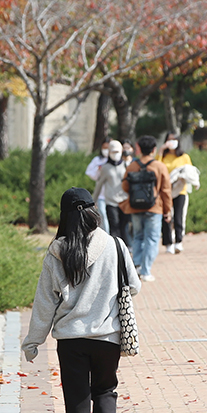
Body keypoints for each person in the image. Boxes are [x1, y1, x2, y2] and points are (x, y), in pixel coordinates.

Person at [21, 187, 141, 413]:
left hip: (71, 340)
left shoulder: (56, 253)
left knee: (77, 400)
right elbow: (134, 286)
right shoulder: (115, 246)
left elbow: (45, 302)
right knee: (105, 392)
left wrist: (33, 342)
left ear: (64, 216)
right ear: (94, 212)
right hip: (107, 337)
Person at [120, 135, 172, 282]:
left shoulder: (132, 166)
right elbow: (166, 190)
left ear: (139, 149)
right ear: (154, 149)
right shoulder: (159, 166)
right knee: (152, 238)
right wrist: (168, 210)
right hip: (154, 208)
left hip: (135, 207)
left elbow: (125, 186)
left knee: (138, 236)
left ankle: (136, 266)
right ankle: (146, 270)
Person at [157, 132, 194, 254]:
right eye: (169, 140)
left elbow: (190, 172)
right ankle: (168, 243)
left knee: (178, 217)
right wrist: (161, 150)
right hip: (165, 191)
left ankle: (179, 241)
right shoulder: (163, 156)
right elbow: (156, 167)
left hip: (180, 190)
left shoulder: (184, 157)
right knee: (167, 217)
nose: (171, 142)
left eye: (174, 140)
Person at [92, 140, 130, 247]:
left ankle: (125, 249)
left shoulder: (127, 166)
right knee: (114, 226)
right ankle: (115, 249)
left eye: (117, 151)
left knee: (124, 226)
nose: (115, 154)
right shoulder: (105, 168)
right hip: (111, 201)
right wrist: (93, 201)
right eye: (113, 151)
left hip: (125, 201)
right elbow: (99, 185)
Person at [85, 140, 111, 232]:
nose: (106, 150)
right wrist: (98, 170)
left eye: (108, 148)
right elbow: (89, 172)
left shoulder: (115, 161)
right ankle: (106, 234)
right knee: (102, 214)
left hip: (113, 194)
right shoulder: (98, 160)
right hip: (101, 194)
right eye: (104, 148)